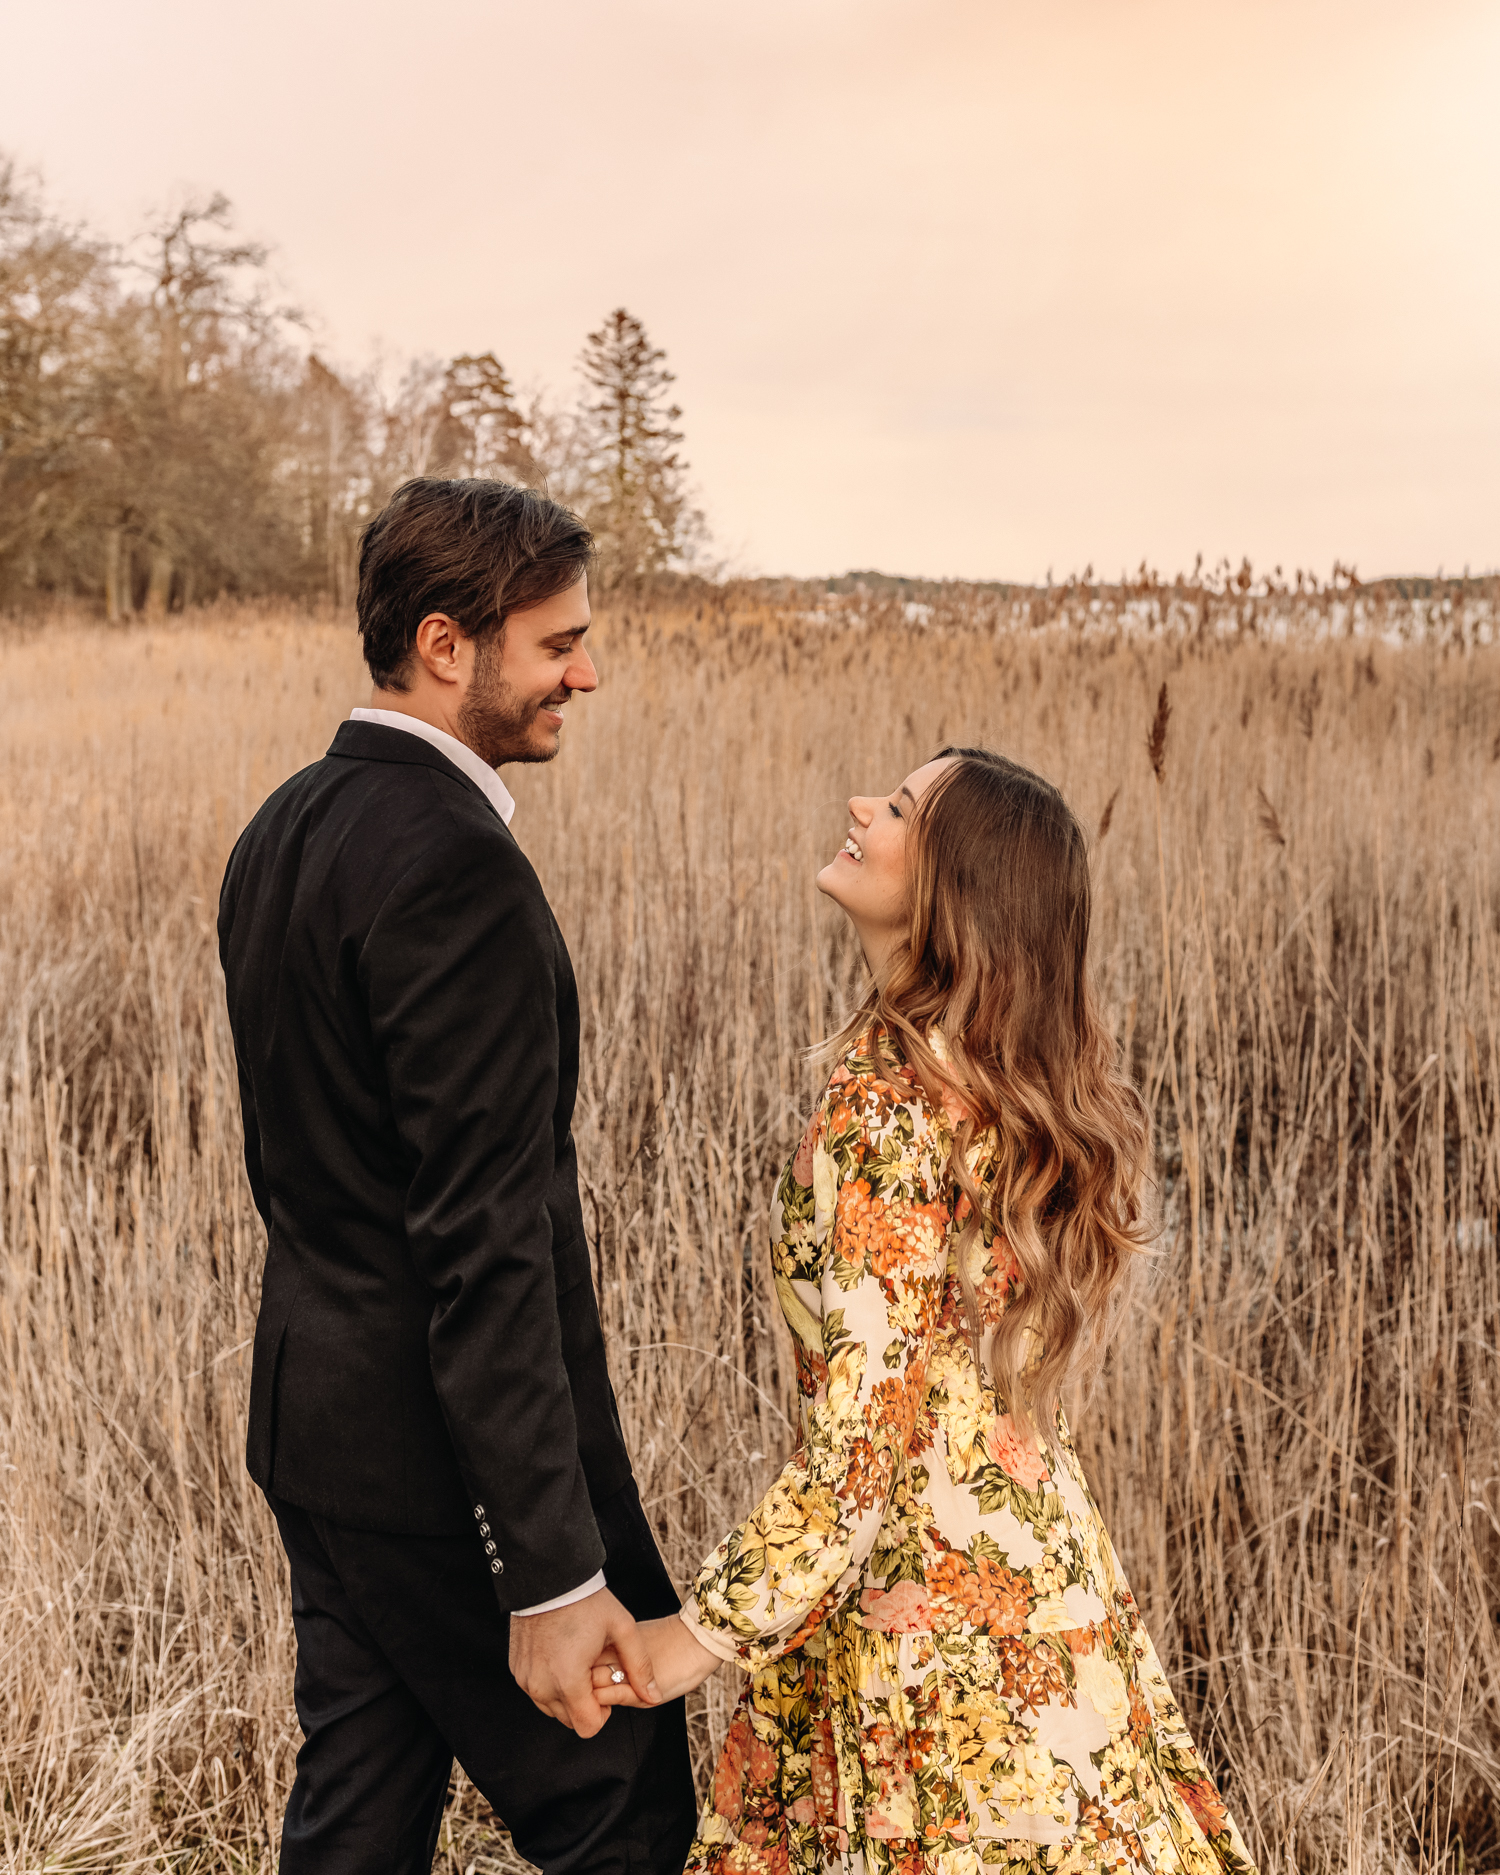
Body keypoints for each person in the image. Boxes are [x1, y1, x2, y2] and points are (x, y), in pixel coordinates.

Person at [593, 749, 1260, 1874]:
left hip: (931, 1625)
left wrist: (693, 1642)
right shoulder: (992, 1085)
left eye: (900, 808)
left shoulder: (889, 1109)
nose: (861, 806)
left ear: (958, 888)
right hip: (1046, 1594)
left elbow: (860, 1450)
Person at [218, 477, 698, 1875]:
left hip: (316, 1425)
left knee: (358, 1812)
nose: (585, 671)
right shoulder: (454, 868)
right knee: (623, 1813)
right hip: (444, 1468)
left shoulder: (285, 825)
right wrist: (551, 1568)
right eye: (557, 644)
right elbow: (483, 1241)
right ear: (446, 643)